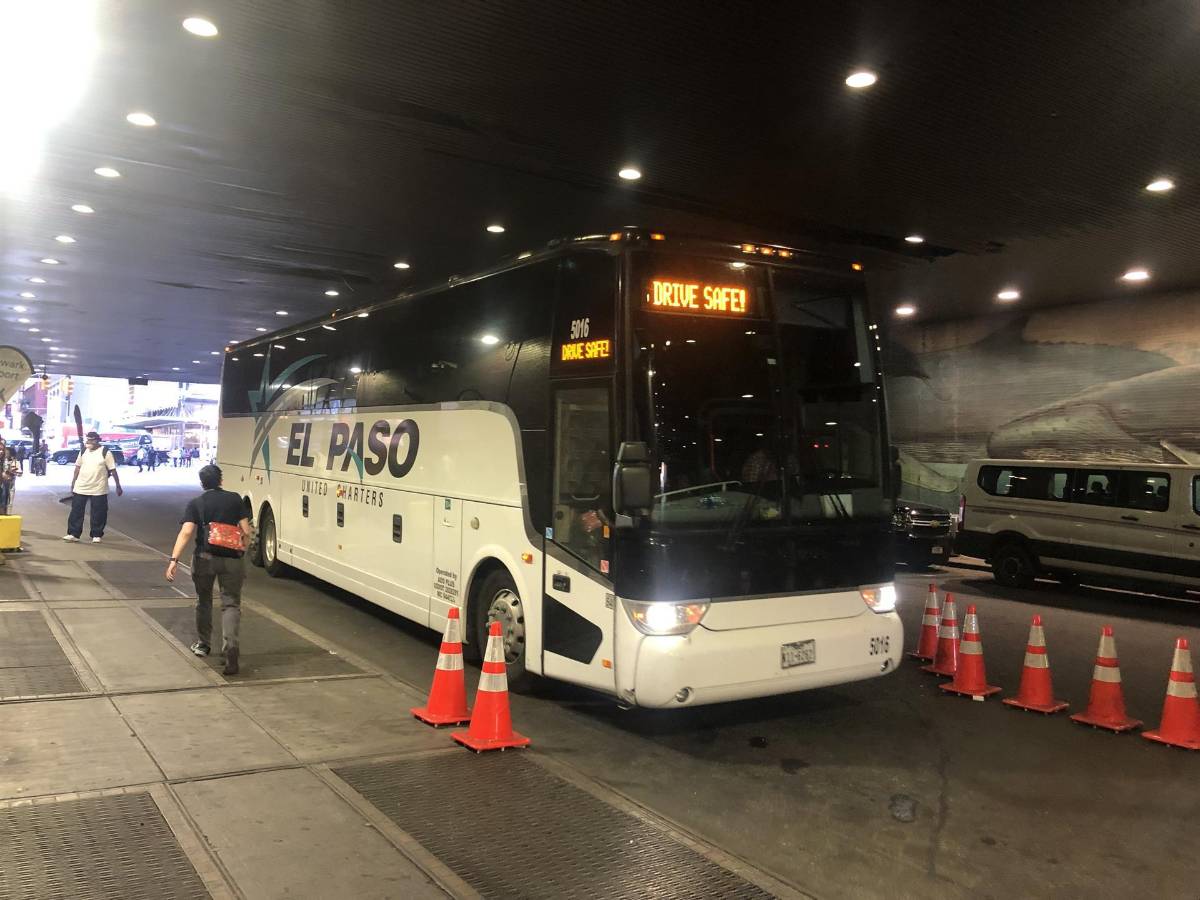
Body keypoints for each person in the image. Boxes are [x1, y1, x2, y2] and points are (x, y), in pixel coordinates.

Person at [166, 464, 252, 675]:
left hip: (204, 558)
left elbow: (186, 532)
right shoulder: (235, 499)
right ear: (221, 480)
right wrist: (243, 551)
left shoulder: (197, 503)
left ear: (202, 483)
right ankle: (230, 647)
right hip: (232, 559)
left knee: (204, 600)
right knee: (231, 603)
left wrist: (174, 560)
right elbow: (246, 530)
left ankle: (203, 644)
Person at [64, 432, 122, 543]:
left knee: (98, 512)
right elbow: (77, 467)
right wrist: (73, 483)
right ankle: (73, 533)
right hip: (81, 486)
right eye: (87, 440)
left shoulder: (105, 452)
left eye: (90, 440)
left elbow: (113, 470)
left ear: (97, 441)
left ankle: (96, 534)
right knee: (76, 511)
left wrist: (118, 486)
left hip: (99, 487)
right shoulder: (83, 451)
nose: (88, 442)